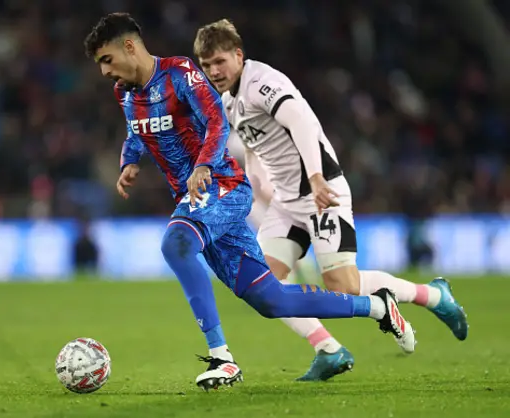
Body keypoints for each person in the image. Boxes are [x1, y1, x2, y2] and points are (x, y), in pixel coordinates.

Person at [84, 12, 415, 391]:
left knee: (176, 244)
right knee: (270, 299)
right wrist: (129, 161)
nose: (104, 71)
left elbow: (216, 121)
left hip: (222, 185)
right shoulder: (125, 93)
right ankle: (378, 307)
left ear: (129, 46)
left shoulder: (181, 74)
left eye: (106, 59)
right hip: (197, 197)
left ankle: (221, 358)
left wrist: (204, 164)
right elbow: (136, 130)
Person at [193, 17, 468, 371]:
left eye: (220, 61)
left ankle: (432, 295)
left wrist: (317, 177)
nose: (214, 71)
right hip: (286, 203)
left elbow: (303, 122)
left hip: (321, 192)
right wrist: (255, 180)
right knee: (261, 285)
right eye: (207, 65)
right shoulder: (229, 99)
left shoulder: (262, 83)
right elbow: (254, 145)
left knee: (343, 283)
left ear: (239, 55)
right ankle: (328, 349)